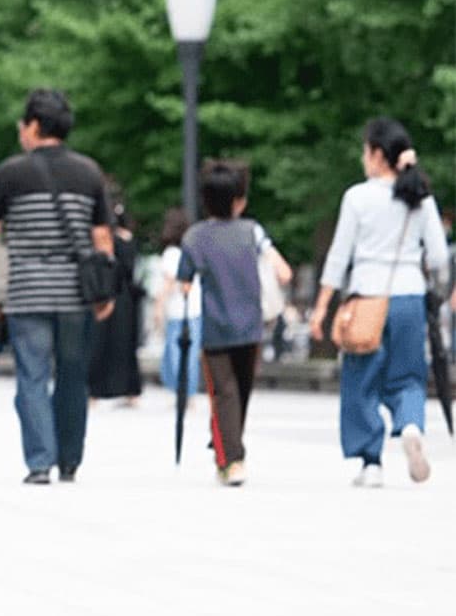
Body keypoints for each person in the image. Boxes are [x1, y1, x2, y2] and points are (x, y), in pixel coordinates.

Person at [0, 89, 114, 486]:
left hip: (28, 291)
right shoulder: (89, 173)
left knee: (32, 375)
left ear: (33, 126)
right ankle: (70, 460)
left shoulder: (10, 173)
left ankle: (39, 462)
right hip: (75, 294)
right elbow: (102, 237)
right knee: (72, 374)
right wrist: (106, 290)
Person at [314, 118, 446, 487]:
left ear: (376, 154)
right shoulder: (420, 198)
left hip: (367, 298)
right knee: (408, 377)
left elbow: (340, 256)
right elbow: (437, 255)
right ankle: (410, 427)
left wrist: (323, 305)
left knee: (361, 379)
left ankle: (371, 463)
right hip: (409, 297)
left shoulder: (357, 197)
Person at [176, 162, 290, 487]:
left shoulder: (195, 236)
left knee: (224, 393)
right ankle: (230, 452)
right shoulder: (252, 231)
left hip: (215, 330)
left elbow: (185, 282)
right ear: (238, 200)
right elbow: (282, 271)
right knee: (240, 392)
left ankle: (229, 456)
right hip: (251, 327)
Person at [86, 199, 145, 407]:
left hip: (108, 293)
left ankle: (95, 391)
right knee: (126, 345)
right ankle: (130, 390)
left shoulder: (106, 241)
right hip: (127, 297)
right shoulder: (129, 240)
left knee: (101, 343)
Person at [152, 208, 203, 406]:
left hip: (177, 311)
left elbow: (168, 283)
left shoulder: (171, 254)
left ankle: (183, 392)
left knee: (176, 355)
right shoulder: (192, 252)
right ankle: (187, 393)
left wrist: (158, 307)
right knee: (190, 354)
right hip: (195, 310)